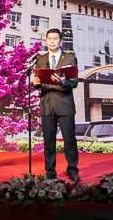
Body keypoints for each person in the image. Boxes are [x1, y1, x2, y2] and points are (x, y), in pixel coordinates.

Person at [32, 29, 80, 181]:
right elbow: (39, 81)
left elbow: (74, 83)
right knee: (48, 141)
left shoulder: (70, 58)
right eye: (49, 39)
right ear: (46, 41)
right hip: (47, 103)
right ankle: (50, 171)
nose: (52, 41)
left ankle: (72, 170)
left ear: (60, 41)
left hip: (64, 103)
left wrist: (63, 82)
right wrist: (35, 83)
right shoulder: (41, 59)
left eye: (55, 38)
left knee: (69, 139)